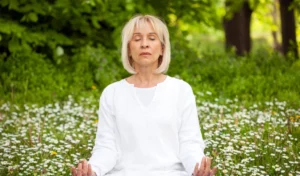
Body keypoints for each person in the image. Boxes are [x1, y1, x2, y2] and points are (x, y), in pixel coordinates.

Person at [71, 14, 217, 176]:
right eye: (137, 38)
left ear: (162, 48)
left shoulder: (181, 90)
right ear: (128, 48)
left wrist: (198, 169)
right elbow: (106, 147)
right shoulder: (112, 93)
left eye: (152, 38)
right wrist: (93, 171)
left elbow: (189, 143)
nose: (145, 44)